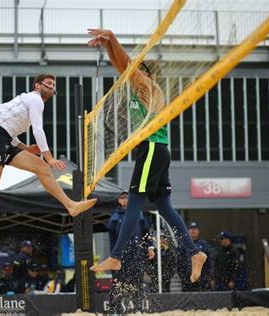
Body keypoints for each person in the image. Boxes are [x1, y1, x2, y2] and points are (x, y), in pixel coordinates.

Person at [87, 28, 207, 283]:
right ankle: (195, 253)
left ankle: (117, 255)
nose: (134, 74)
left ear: (146, 74)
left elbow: (127, 65)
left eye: (139, 71)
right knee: (164, 207)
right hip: (157, 150)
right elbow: (122, 65)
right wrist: (108, 44)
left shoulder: (150, 87)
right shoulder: (137, 89)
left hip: (153, 148)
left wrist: (111, 36)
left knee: (133, 202)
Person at [0, 73, 97, 254]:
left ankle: (70, 205)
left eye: (54, 85)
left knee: (41, 168)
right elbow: (38, 130)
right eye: (48, 83)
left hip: (4, 139)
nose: (52, 86)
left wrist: (24, 147)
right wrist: (48, 156)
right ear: (37, 86)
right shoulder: (35, 99)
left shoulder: (21, 104)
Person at [105, 190, 150, 313]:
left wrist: (150, 248)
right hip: (119, 257)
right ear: (119, 201)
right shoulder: (114, 218)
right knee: (117, 283)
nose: (125, 199)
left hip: (137, 255)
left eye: (127, 197)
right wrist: (113, 257)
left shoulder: (138, 214)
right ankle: (115, 309)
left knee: (137, 282)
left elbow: (147, 233)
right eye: (122, 197)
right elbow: (112, 240)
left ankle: (138, 309)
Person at [177, 222, 212, 292]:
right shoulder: (183, 245)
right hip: (187, 280)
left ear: (198, 231)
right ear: (187, 231)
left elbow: (209, 262)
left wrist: (206, 277)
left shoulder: (203, 244)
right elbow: (179, 262)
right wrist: (184, 277)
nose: (193, 231)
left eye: (195, 229)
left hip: (202, 280)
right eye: (191, 229)